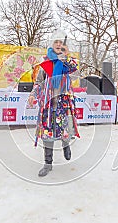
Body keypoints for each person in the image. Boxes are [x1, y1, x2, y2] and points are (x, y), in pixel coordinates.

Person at [27, 29, 80, 177]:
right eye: (56, 42)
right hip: (48, 104)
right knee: (47, 134)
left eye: (61, 42)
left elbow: (75, 71)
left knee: (65, 129)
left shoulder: (67, 62)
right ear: (52, 44)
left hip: (63, 103)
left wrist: (66, 55)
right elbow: (38, 83)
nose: (58, 44)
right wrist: (33, 95)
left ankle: (66, 144)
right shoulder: (46, 63)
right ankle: (48, 163)